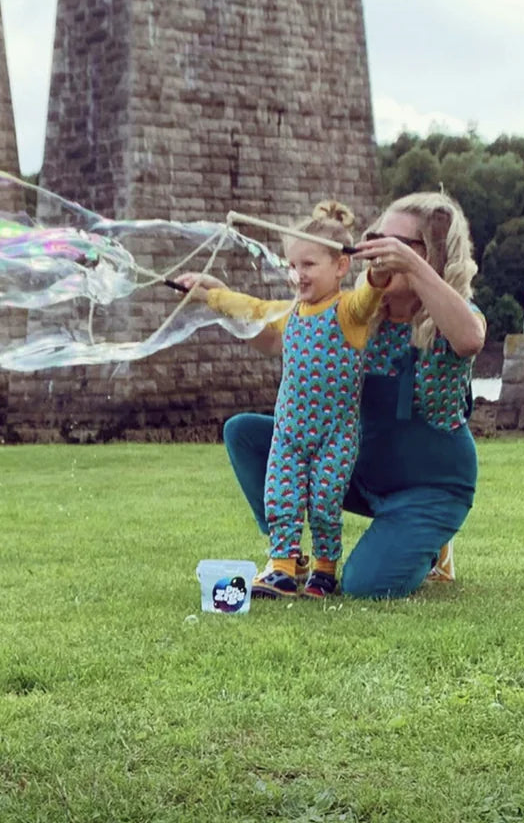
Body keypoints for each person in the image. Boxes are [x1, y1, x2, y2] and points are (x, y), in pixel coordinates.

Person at [185, 191, 485, 600]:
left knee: (364, 585)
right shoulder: (357, 312)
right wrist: (217, 298)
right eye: (377, 238)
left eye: (398, 244)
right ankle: (288, 556)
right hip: (357, 469)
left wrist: (411, 267)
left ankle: (432, 547)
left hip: (428, 487)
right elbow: (278, 336)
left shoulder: (452, 315)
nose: (381, 251)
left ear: (430, 254)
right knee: (246, 434)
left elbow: (470, 339)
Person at [179, 200, 384, 599]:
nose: (297, 274)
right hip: (290, 430)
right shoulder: (291, 311)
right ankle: (284, 566)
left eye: (308, 265)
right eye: (292, 265)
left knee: (325, 503)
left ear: (341, 266)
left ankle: (325, 568)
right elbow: (251, 309)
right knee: (279, 496)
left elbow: (370, 293)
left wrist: (377, 268)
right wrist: (212, 294)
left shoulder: (348, 312)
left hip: (334, 435)